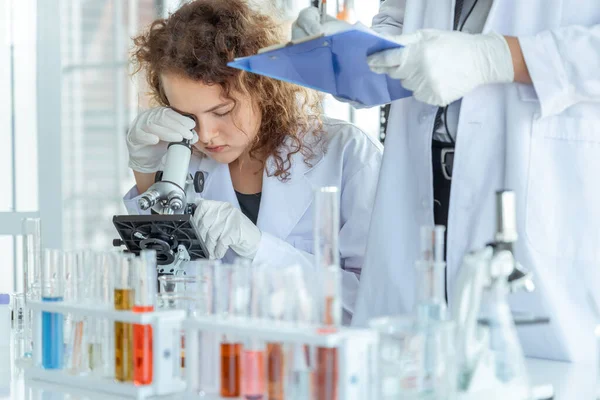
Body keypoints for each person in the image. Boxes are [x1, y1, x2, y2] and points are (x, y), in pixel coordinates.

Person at [293, 0, 600, 362]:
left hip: (540, 196)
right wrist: (352, 56)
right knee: (404, 369)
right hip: (419, 195)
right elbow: (398, 22)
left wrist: (499, 57)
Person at [123, 0, 383, 323]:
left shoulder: (349, 156)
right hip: (216, 365)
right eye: (187, 116)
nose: (206, 135)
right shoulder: (185, 162)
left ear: (262, 85)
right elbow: (158, 291)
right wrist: (145, 172)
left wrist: (260, 250)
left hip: (314, 368)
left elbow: (374, 305)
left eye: (221, 112)